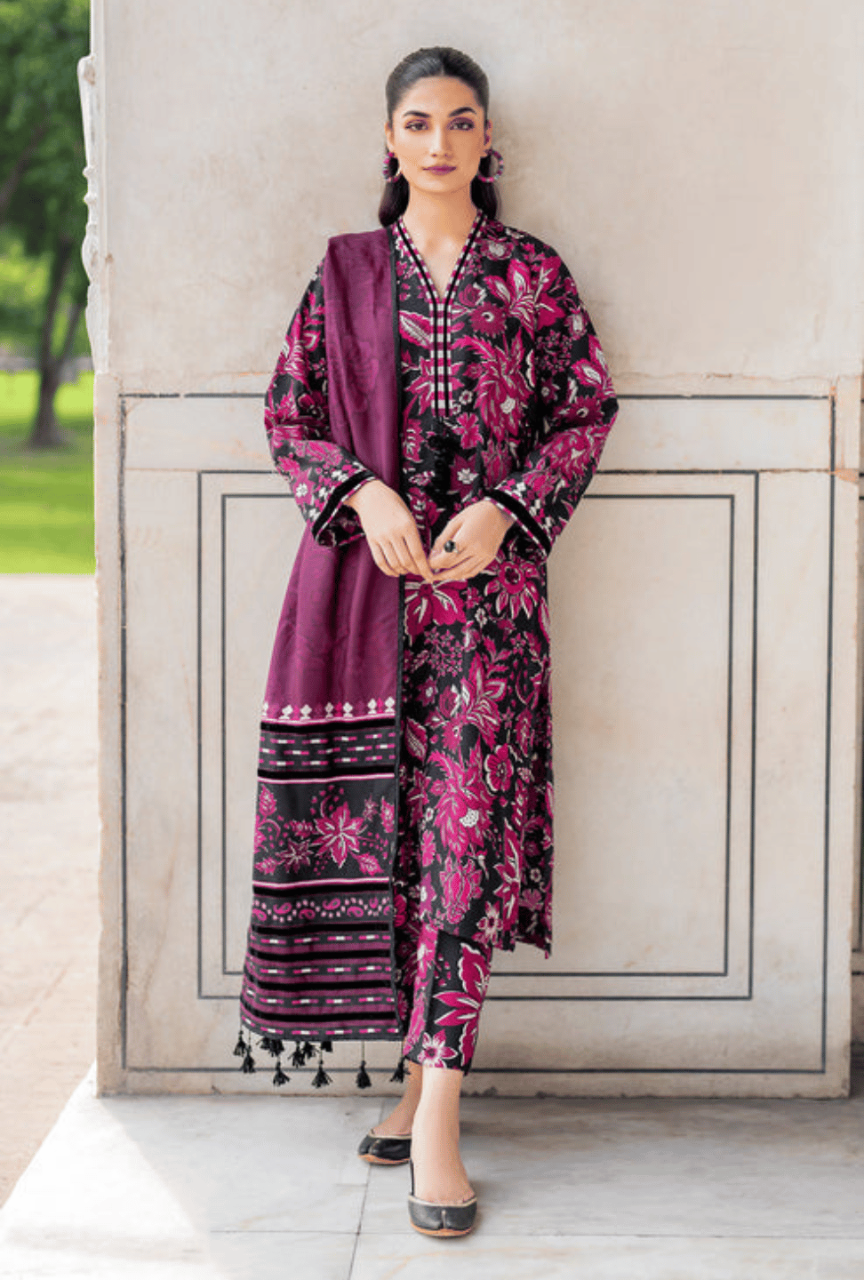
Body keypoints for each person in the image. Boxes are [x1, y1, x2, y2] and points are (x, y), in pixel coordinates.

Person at [236, 46, 617, 1238]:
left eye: (462, 121)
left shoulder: (531, 276)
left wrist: (507, 506)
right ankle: (415, 1073)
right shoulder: (347, 274)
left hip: (488, 620)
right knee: (401, 858)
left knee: (464, 845)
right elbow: (289, 414)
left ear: (488, 141)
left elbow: (586, 406)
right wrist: (366, 492)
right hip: (368, 607)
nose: (442, 141)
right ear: (389, 140)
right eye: (419, 121)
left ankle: (440, 1118)